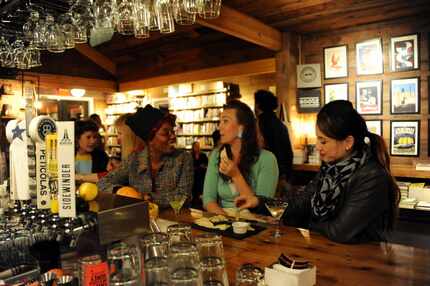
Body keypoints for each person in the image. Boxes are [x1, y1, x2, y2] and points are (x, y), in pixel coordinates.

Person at [235, 100, 400, 244]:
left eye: (324, 141)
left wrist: (303, 220)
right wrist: (258, 202)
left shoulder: (372, 176)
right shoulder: (330, 169)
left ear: (348, 142)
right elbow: (298, 204)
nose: (318, 147)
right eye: (318, 139)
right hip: (328, 252)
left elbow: (339, 232)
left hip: (364, 262)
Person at [98, 105, 193, 208]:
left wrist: (147, 197)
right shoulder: (134, 159)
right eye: (166, 133)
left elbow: (184, 196)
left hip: (173, 220)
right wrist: (121, 191)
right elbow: (103, 183)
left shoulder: (183, 158)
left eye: (173, 131)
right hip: (141, 218)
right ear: (149, 138)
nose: (173, 136)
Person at [202, 100, 279, 216]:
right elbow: (208, 199)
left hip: (255, 221)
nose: (219, 127)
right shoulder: (216, 155)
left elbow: (263, 208)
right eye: (220, 121)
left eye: (225, 121)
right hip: (222, 217)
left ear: (242, 128)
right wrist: (225, 221)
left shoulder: (267, 159)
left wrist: (236, 175)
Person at [254, 90, 293, 191]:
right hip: (281, 175)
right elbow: (289, 153)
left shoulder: (257, 125)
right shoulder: (281, 125)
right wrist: (285, 176)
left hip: (262, 174)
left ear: (257, 105)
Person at [191, 141, 208, 209]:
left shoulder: (203, 155)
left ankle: (201, 204)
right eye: (196, 146)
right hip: (193, 176)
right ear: (193, 147)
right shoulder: (190, 155)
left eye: (198, 146)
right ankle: (194, 204)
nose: (197, 147)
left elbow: (206, 165)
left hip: (201, 176)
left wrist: (203, 166)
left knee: (201, 190)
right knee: (194, 191)